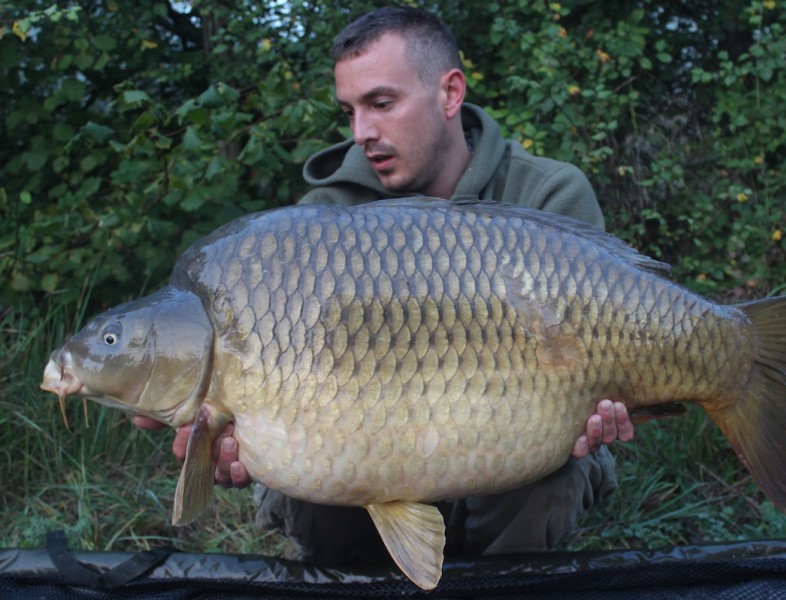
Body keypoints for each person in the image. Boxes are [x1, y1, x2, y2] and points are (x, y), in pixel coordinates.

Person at [135, 4, 635, 564]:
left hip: (513, 451)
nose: (361, 132)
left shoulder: (547, 194)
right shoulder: (318, 221)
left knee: (550, 477)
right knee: (318, 487)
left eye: (381, 103)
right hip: (362, 454)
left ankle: (502, 577)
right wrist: (232, 446)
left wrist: (604, 396)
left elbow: (593, 353)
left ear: (450, 95)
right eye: (349, 110)